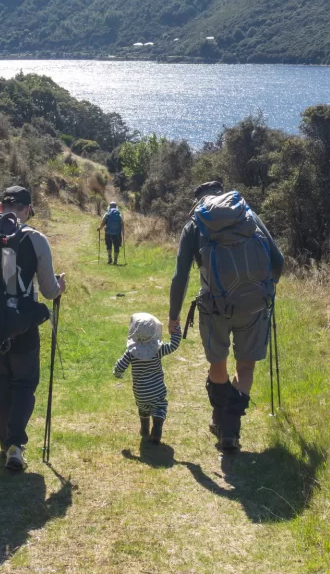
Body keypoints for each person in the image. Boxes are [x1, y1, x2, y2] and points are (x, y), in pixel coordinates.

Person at [167, 181, 284, 452]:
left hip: (214, 307)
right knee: (245, 368)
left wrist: (174, 316)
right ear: (222, 196)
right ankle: (230, 429)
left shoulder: (195, 224)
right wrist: (265, 289)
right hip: (254, 307)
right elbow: (278, 262)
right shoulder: (248, 215)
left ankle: (221, 423)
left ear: (198, 201)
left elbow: (180, 276)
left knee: (217, 366)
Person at [0, 186, 66, 471]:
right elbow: (48, 291)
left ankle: (5, 437)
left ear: (0, 207)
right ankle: (15, 445)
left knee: (2, 383)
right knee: (24, 384)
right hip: (21, 326)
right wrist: (61, 287)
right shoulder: (35, 239)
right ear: (28, 209)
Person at [113, 313, 182, 445]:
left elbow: (121, 365)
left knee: (143, 408)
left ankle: (144, 429)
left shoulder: (131, 352)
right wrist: (176, 327)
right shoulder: (158, 350)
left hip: (140, 392)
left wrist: (118, 373)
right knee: (159, 407)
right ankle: (156, 429)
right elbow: (174, 345)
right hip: (157, 390)